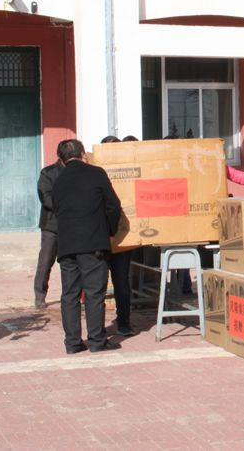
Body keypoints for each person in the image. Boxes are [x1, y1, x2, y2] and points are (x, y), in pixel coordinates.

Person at [53, 138, 122, 353]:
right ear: (83, 154)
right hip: (93, 242)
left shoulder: (58, 179)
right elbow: (113, 205)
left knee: (69, 295)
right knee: (94, 293)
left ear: (61, 160)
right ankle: (97, 340)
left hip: (66, 244)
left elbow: (55, 209)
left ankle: (72, 342)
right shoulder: (96, 173)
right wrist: (109, 230)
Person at [107, 135, 137, 336]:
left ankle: (123, 321)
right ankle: (105, 326)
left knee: (121, 281)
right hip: (108, 235)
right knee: (103, 283)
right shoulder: (98, 171)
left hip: (121, 236)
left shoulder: (128, 172)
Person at [33, 145, 65, 309]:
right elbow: (46, 198)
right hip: (51, 224)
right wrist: (68, 206)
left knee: (69, 263)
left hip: (71, 224)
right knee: (45, 261)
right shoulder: (48, 172)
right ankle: (40, 295)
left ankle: (70, 295)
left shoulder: (76, 171)